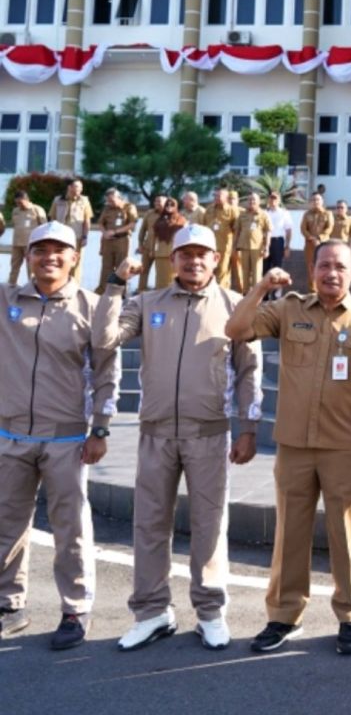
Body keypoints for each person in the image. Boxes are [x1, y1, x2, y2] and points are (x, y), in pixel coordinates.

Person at [92, 225, 262, 652]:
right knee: (149, 526)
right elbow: (104, 339)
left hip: (209, 435)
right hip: (156, 435)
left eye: (202, 253)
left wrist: (249, 428)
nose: (193, 261)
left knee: (209, 527)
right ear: (173, 258)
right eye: (185, 253)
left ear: (217, 258)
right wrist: (115, 285)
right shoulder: (147, 302)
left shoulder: (234, 306)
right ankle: (151, 612)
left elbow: (249, 371)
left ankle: (210, 612)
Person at [225, 240, 351, 655]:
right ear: (313, 269)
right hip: (295, 445)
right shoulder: (289, 309)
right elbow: (236, 330)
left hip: (345, 447)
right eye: (324, 265)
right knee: (290, 534)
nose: (331, 273)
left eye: (340, 267)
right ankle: (284, 616)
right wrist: (259, 289)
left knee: (347, 534)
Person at [0, 221, 118, 649]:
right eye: (40, 249)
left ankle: (75, 609)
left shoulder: (91, 305)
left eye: (59, 250)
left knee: (71, 529)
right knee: (7, 524)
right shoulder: (7, 299)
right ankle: (10, 604)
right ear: (27, 256)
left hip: (67, 438)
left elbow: (107, 371)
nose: (49, 256)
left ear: (74, 258)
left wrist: (101, 427)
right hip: (11, 434)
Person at [50, 179, 93, 283]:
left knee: (75, 262)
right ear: (70, 187)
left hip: (76, 237)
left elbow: (87, 220)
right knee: (60, 260)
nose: (81, 189)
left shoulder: (84, 200)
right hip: (60, 237)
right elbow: (52, 218)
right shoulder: (58, 200)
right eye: (78, 187)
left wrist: (85, 236)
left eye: (81, 187)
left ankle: (74, 286)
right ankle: (60, 283)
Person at [97, 188, 138, 291]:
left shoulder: (129, 207)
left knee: (122, 266)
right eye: (108, 201)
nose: (110, 203)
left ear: (119, 198)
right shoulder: (107, 208)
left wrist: (116, 232)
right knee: (106, 266)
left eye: (112, 200)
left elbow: (132, 224)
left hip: (122, 240)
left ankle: (121, 291)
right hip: (108, 241)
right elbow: (100, 223)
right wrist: (104, 232)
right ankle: (103, 289)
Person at [233, 193, 272, 293]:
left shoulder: (263, 215)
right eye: (249, 200)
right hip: (243, 247)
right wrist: (234, 247)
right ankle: (245, 295)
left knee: (256, 274)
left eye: (254, 200)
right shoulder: (242, 215)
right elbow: (237, 232)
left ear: (259, 202)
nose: (251, 202)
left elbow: (268, 231)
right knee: (244, 273)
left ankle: (256, 296)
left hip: (257, 248)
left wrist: (266, 247)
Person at [7, 190, 48, 285]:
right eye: (17, 203)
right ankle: (11, 286)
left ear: (26, 200)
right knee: (14, 267)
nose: (19, 205)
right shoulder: (15, 211)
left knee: (31, 268)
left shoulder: (37, 209)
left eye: (20, 202)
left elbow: (44, 227)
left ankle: (32, 287)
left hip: (31, 244)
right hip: (17, 244)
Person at [204, 189, 240, 290]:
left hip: (225, 246)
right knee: (210, 269)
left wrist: (235, 246)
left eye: (219, 196)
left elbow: (236, 228)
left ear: (226, 198)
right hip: (210, 246)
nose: (217, 198)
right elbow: (204, 224)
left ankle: (221, 293)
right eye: (215, 196)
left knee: (223, 271)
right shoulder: (209, 209)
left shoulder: (232, 210)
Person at [300, 194, 333, 292]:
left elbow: (329, 228)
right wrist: (310, 237)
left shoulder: (328, 213)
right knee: (311, 268)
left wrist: (319, 238)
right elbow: (303, 228)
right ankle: (313, 292)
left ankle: (324, 290)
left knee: (324, 267)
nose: (316, 202)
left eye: (318, 199)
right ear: (311, 202)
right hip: (310, 245)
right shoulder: (307, 214)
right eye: (313, 200)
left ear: (322, 201)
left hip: (323, 245)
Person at [151, 198, 186, 289]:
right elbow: (154, 237)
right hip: (160, 253)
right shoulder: (159, 220)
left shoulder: (181, 219)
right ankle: (160, 298)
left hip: (173, 253)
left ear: (176, 206)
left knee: (172, 277)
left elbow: (183, 237)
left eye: (172, 205)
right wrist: (152, 250)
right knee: (160, 277)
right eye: (167, 205)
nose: (169, 207)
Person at [263, 192, 293, 299]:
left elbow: (288, 230)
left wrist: (287, 246)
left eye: (275, 198)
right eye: (271, 198)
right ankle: (264, 295)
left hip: (278, 242)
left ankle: (276, 294)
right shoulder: (264, 213)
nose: (273, 200)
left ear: (279, 200)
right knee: (265, 269)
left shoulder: (284, 213)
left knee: (277, 269)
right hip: (265, 242)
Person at [137, 195, 166, 294]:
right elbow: (142, 230)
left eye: (160, 202)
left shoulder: (169, 215)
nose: (157, 204)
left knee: (161, 272)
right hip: (147, 246)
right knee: (143, 270)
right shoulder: (149, 214)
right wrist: (140, 244)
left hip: (162, 249)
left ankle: (159, 292)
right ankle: (141, 290)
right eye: (156, 202)